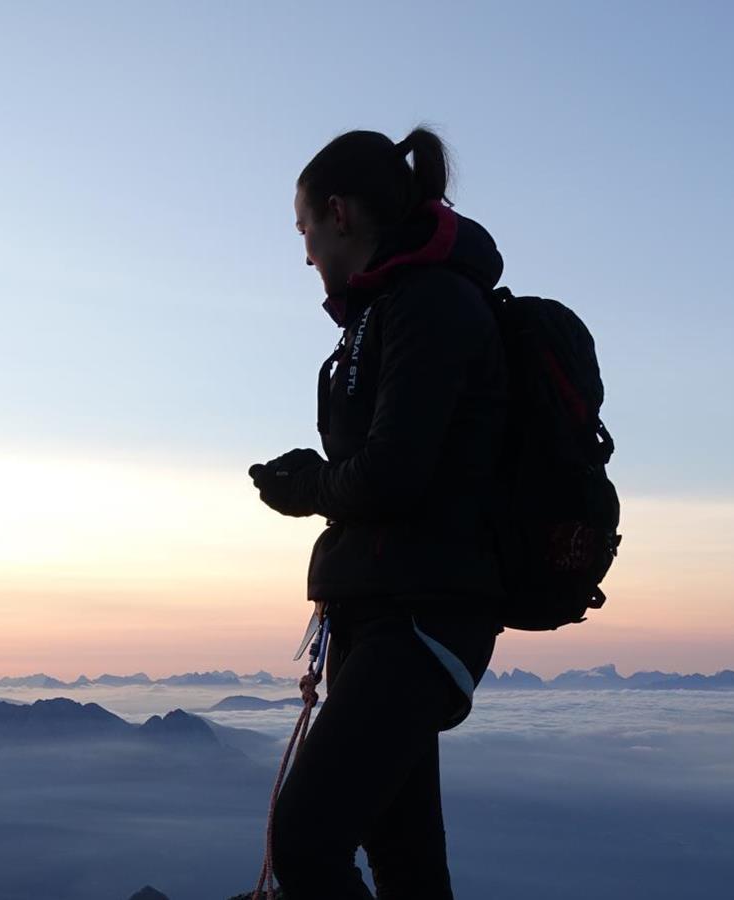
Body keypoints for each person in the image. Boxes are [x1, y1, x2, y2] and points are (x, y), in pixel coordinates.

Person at [247, 126, 509, 899]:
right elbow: (390, 463)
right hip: (388, 616)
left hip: (424, 621)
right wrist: (320, 479)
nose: (303, 253)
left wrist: (307, 488)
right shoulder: (387, 310)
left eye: (304, 229)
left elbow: (395, 474)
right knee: (404, 858)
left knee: (305, 842)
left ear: (339, 214)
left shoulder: (431, 304)